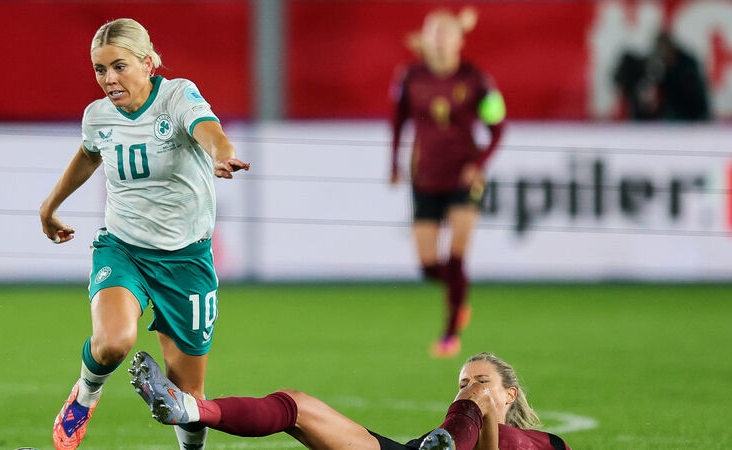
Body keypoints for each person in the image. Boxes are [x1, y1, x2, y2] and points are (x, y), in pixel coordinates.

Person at [39, 18, 249, 450]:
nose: (109, 79)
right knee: (114, 342)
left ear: (148, 63)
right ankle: (85, 395)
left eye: (119, 66)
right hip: (124, 249)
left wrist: (223, 152)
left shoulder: (176, 95)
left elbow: (206, 128)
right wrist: (49, 206)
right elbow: (87, 153)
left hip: (186, 261)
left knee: (187, 398)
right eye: (99, 69)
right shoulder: (97, 116)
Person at [129, 351, 569, 450]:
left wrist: (484, 413)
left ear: (510, 394)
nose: (468, 386)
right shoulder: (465, 427)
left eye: (481, 380)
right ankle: (193, 410)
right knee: (297, 405)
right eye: (462, 382)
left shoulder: (549, 444)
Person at [390, 8, 506, 358]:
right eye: (433, 31)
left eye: (445, 32)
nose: (438, 38)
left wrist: (479, 164)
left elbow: (498, 125)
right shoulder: (409, 77)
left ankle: (450, 331)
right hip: (425, 176)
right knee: (428, 265)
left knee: (456, 256)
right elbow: (397, 122)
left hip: (462, 177)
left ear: (459, 40)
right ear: (424, 38)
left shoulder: (476, 80)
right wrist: (393, 162)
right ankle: (460, 293)